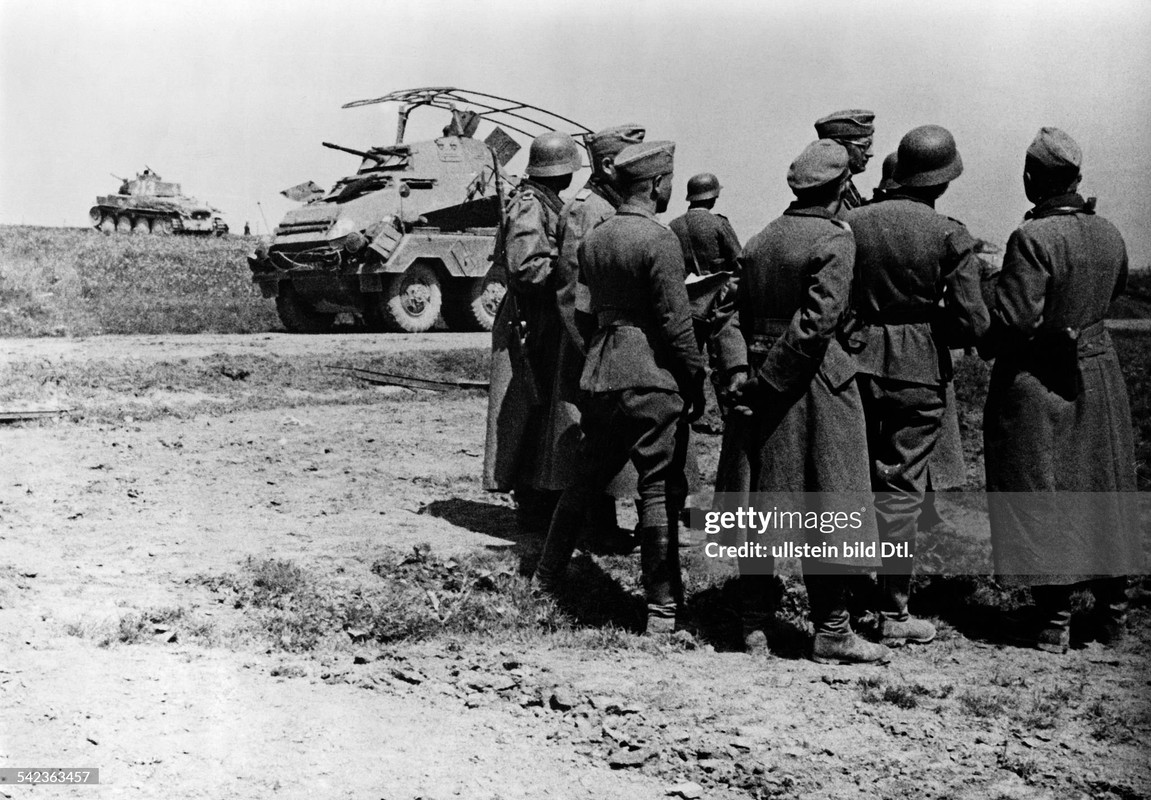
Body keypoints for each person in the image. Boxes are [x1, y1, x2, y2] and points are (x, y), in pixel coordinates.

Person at [714, 140, 890, 664]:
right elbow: (816, 325)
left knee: (756, 503)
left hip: (757, 383)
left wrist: (740, 373)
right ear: (842, 186)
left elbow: (728, 315)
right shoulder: (834, 238)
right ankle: (832, 630)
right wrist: (770, 382)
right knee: (829, 503)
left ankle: (753, 625)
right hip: (811, 385)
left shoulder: (762, 238)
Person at [532, 141, 707, 634]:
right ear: (655, 185)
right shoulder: (660, 240)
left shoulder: (596, 238)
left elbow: (583, 312)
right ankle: (662, 610)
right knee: (657, 487)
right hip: (651, 375)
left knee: (585, 479)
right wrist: (694, 378)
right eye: (667, 182)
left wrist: (602, 353)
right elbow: (676, 326)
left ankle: (545, 577)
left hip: (602, 373)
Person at [981, 127, 1140, 654]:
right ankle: (1114, 618)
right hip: (1100, 371)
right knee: (1106, 488)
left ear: (1032, 178)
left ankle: (1053, 621)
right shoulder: (1110, 232)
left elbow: (1017, 319)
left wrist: (983, 316)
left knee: (1039, 487)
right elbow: (1115, 291)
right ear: (1077, 176)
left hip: (1039, 377)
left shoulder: (1032, 238)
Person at [844, 124, 989, 647]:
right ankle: (894, 611)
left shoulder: (851, 222)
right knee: (903, 488)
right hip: (920, 369)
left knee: (853, 478)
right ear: (943, 181)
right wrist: (930, 328)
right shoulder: (950, 233)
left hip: (855, 362)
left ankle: (841, 600)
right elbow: (974, 321)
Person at [552, 124, 648, 553]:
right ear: (609, 165)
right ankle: (598, 529)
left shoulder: (613, 206)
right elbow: (573, 293)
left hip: (610, 344)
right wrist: (593, 349)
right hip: (593, 344)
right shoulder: (587, 210)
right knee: (594, 438)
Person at [483, 131, 582, 538]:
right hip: (532, 319)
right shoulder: (530, 203)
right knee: (531, 410)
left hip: (545, 316)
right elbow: (527, 268)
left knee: (544, 412)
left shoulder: (544, 201)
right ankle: (532, 506)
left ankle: (542, 501)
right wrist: (570, 266)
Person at [668, 173, 742, 276]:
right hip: (717, 285)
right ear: (712, 198)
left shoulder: (673, 226)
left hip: (684, 285)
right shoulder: (719, 223)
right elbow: (738, 261)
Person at [814, 110, 875, 210]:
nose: (870, 153)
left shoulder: (843, 184)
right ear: (840, 146)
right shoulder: (828, 193)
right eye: (864, 145)